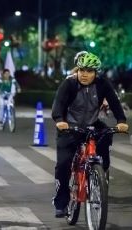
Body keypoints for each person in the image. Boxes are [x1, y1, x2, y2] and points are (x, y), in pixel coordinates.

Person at [51, 51, 128, 218]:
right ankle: (61, 201)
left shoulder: (102, 84)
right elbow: (58, 105)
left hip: (92, 125)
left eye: (89, 71)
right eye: (82, 70)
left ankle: (99, 174)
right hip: (69, 127)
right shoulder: (69, 84)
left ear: (96, 73)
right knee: (63, 164)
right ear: (77, 70)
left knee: (106, 134)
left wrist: (121, 120)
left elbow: (114, 102)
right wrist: (59, 120)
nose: (84, 74)